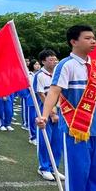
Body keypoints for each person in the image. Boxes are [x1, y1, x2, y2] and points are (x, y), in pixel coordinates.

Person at [38, 25, 96, 191]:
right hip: (76, 128)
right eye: (88, 38)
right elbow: (54, 91)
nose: (93, 41)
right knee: (79, 174)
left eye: (94, 38)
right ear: (74, 42)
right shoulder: (66, 66)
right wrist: (45, 114)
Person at [34, 49, 64, 181]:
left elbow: (61, 93)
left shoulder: (59, 74)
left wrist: (57, 110)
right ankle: (44, 168)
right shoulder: (40, 75)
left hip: (59, 112)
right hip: (45, 112)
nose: (54, 61)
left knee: (57, 142)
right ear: (43, 61)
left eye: (55, 59)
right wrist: (51, 113)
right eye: (50, 59)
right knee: (45, 140)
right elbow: (41, 95)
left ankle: (54, 168)